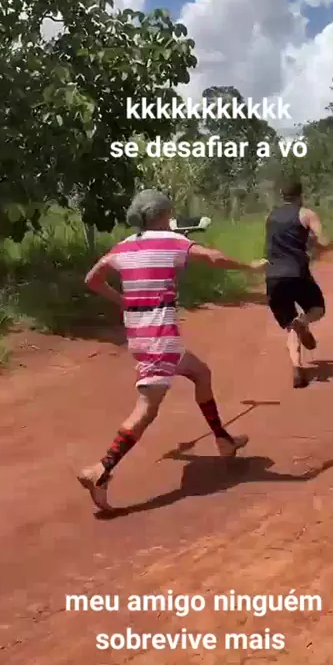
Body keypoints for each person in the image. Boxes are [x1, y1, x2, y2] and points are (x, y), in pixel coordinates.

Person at [78, 189, 265, 511]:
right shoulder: (171, 241)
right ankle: (101, 469)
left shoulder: (124, 246)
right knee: (146, 409)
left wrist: (124, 301)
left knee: (200, 373)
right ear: (163, 214)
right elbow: (213, 257)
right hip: (160, 338)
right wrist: (249, 266)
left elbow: (91, 280)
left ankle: (223, 440)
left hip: (141, 337)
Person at [263, 177, 329, 388]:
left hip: (273, 276)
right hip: (296, 273)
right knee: (317, 308)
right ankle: (304, 321)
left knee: (290, 324)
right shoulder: (306, 214)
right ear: (301, 194)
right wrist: (314, 243)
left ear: (282, 195)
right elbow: (323, 241)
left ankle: (297, 367)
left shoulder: (270, 216)